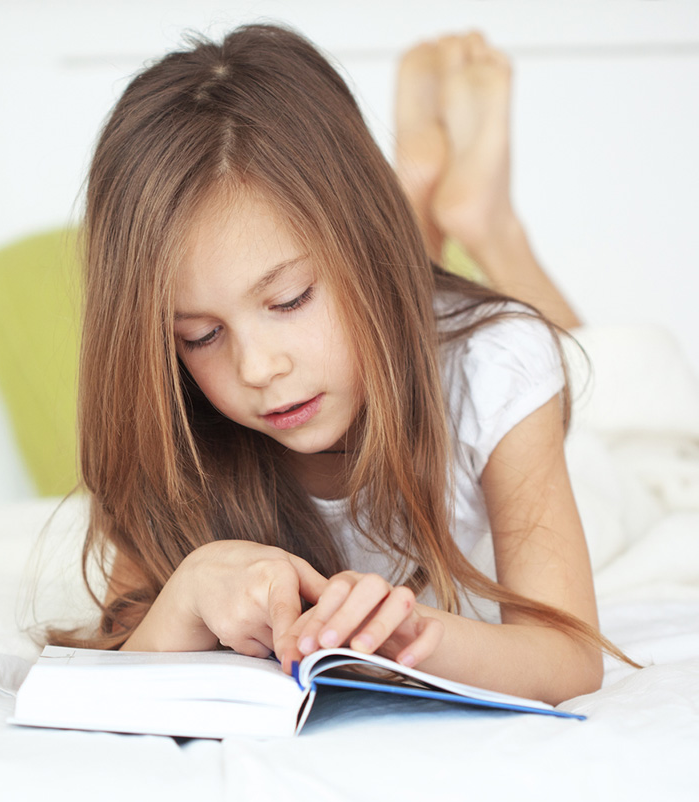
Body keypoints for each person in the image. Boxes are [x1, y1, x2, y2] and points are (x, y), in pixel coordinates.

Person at [51, 24, 631, 705]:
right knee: (390, 311)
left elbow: (569, 655)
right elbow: (117, 662)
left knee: (641, 416)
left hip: (582, 460)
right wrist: (184, 596)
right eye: (202, 335)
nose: (259, 367)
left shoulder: (495, 365)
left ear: (365, 245)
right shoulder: (178, 419)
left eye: (290, 299)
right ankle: (415, 189)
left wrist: (411, 636)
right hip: (391, 304)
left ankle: (485, 223)